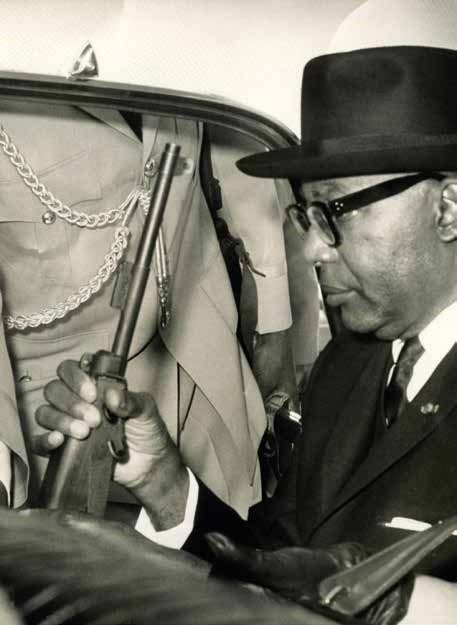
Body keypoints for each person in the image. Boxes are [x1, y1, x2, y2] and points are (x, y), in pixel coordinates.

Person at [41, 41, 457, 625]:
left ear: (448, 207)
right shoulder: (348, 365)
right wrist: (163, 482)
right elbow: (274, 561)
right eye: (304, 216)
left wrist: (393, 602)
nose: (311, 250)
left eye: (335, 212)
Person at [0, 1, 314, 515]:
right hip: (59, 417)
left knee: (233, 545)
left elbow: (238, 147)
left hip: (204, 366)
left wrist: (275, 330)